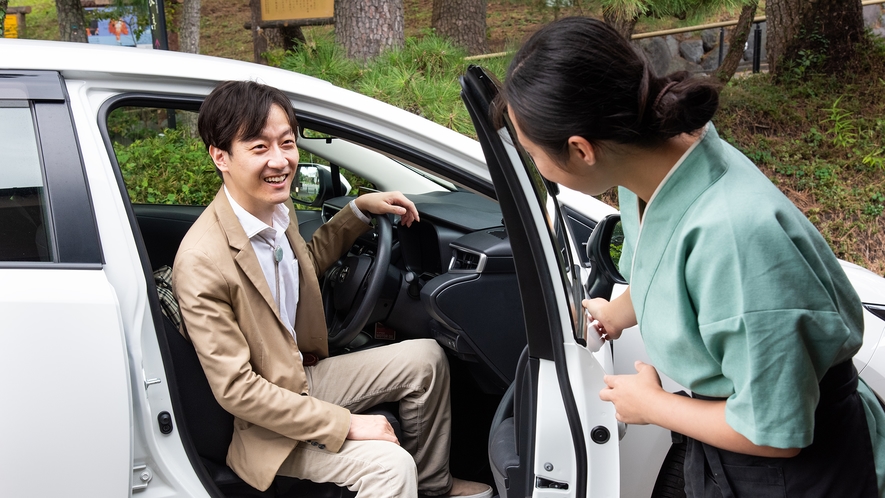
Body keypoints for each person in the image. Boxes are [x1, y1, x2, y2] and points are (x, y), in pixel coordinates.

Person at [496, 16, 885, 497]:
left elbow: (774, 431)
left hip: (793, 473)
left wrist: (650, 406)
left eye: (533, 153)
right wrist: (617, 314)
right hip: (728, 446)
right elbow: (665, 269)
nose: (539, 167)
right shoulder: (655, 167)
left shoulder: (738, 239)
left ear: (580, 149)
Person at [172, 80, 492, 498]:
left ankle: (433, 486)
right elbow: (238, 391)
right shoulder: (202, 259)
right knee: (389, 467)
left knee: (426, 359)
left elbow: (302, 264)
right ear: (221, 156)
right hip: (264, 424)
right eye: (259, 148)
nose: (280, 161)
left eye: (287, 143)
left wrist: (358, 210)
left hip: (300, 375)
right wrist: (347, 423)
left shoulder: (274, 209)